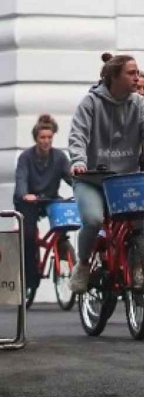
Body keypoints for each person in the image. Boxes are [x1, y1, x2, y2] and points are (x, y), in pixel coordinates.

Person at [66, 54, 144, 295]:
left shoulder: (139, 104)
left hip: (124, 179)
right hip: (91, 179)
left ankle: (137, 264)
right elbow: (78, 135)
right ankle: (84, 264)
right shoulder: (90, 103)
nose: (137, 78)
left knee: (141, 218)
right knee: (93, 220)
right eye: (132, 73)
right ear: (113, 77)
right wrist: (78, 161)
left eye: (138, 72)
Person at [13, 115, 70, 302]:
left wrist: (82, 189)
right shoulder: (26, 157)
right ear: (36, 139)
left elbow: (71, 178)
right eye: (42, 138)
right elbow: (21, 178)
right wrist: (25, 194)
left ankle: (63, 250)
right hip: (27, 201)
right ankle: (31, 278)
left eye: (49, 138)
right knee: (28, 237)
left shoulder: (60, 157)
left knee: (65, 221)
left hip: (49, 199)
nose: (46, 141)